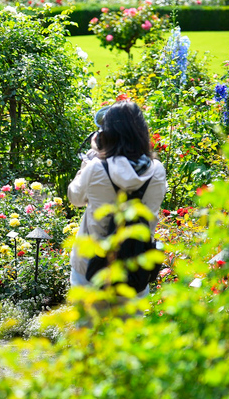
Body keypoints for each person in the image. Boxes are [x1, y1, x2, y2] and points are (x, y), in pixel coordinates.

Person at [67, 100, 168, 298]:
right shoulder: (157, 170)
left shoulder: (96, 167)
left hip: (90, 267)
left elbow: (75, 197)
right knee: (130, 328)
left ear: (106, 134)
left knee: (88, 328)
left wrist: (89, 161)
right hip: (136, 267)